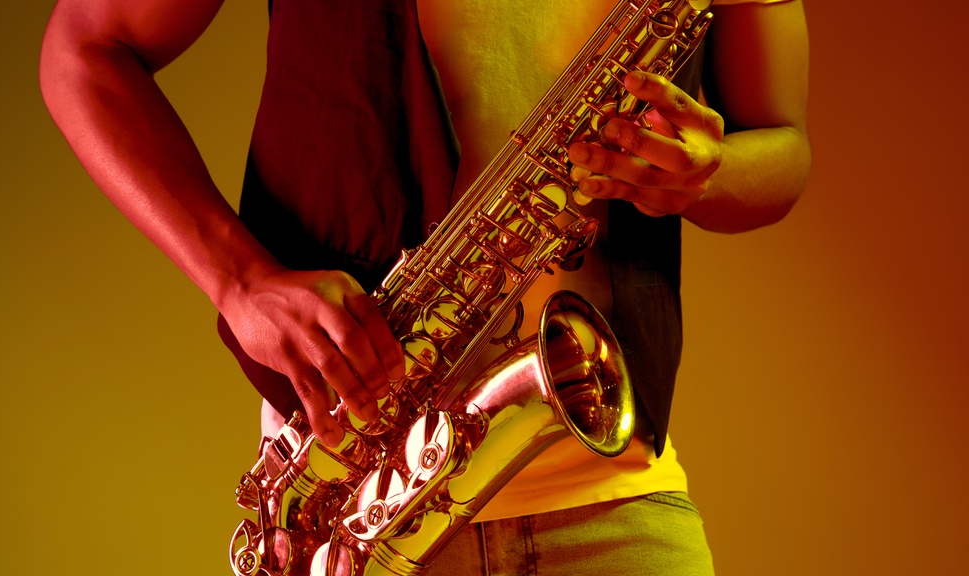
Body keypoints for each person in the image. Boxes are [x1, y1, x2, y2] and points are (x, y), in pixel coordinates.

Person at [40, 0, 810, 574]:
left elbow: (782, 143)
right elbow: (84, 46)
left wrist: (709, 173)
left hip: (610, 497)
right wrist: (239, 278)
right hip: (349, 504)